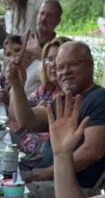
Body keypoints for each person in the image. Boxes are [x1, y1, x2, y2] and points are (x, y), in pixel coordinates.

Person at [6, 41, 105, 198]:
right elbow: (27, 121)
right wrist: (17, 85)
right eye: (60, 67)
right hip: (47, 180)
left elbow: (92, 152)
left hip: (73, 192)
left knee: (7, 197)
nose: (65, 72)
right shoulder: (66, 100)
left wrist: (47, 172)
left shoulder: (102, 99)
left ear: (89, 65)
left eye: (72, 65)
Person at [10, 35, 69, 172]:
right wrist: (18, 84)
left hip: (38, 167)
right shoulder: (46, 90)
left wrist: (17, 85)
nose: (53, 64)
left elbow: (25, 121)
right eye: (49, 59)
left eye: (58, 59)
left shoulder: (66, 97)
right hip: (23, 155)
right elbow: (16, 117)